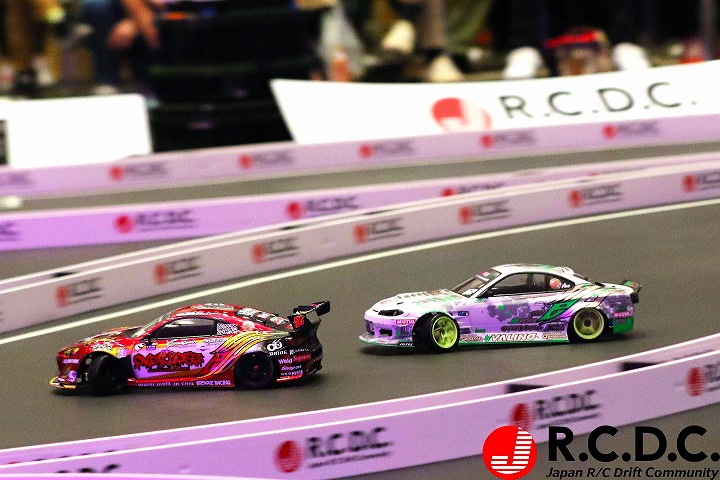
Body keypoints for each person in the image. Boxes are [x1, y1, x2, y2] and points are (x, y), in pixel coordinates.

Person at [80, 0, 161, 94]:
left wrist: (138, 23)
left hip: (163, 13)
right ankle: (107, 81)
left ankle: (152, 84)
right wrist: (138, 19)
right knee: (96, 5)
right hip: (136, 10)